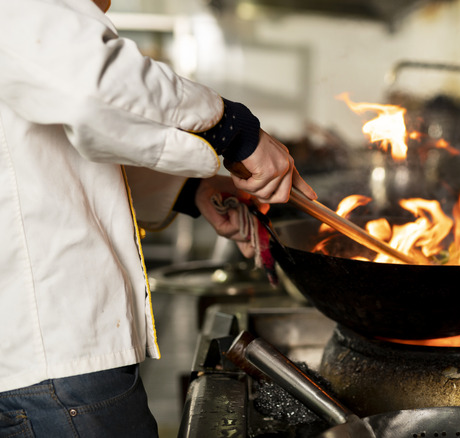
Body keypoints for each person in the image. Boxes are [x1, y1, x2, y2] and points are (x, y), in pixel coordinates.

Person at [0, 0, 317, 436]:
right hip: (53, 366)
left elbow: (43, 145)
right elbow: (92, 87)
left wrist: (191, 189)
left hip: (45, 365)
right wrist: (232, 130)